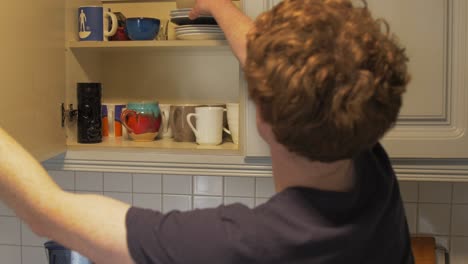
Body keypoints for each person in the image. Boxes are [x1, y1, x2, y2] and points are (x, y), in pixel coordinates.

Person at [0, 0, 413, 263]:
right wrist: (219, 6)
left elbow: (45, 212)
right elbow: (277, 61)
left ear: (263, 117)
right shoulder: (367, 159)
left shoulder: (237, 245)